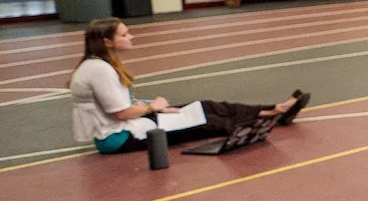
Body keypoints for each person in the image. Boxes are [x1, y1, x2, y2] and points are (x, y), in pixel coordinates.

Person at [69, 18, 306, 154]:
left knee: (206, 105)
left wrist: (155, 107)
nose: (131, 37)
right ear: (107, 42)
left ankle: (274, 110)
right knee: (207, 122)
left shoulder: (103, 64)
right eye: (125, 34)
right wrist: (153, 107)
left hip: (130, 125)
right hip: (120, 138)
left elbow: (124, 105)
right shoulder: (99, 69)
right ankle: (268, 119)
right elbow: (121, 112)